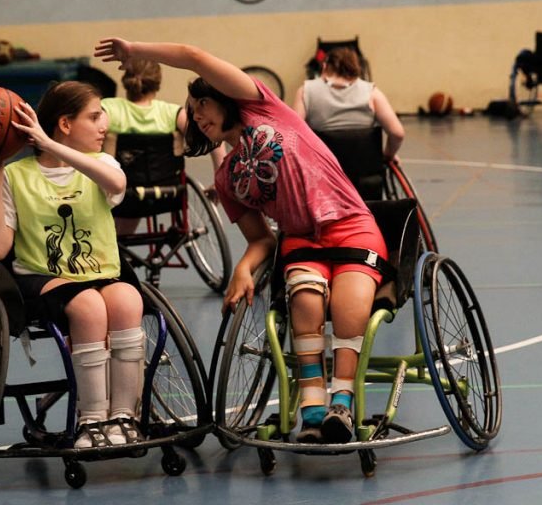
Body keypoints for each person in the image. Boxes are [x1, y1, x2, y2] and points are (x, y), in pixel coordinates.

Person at [95, 38, 388, 444]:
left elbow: (194, 56)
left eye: (202, 106)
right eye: (192, 113)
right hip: (301, 240)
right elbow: (261, 239)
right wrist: (244, 268)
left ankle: (343, 399)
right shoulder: (226, 178)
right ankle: (314, 408)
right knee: (305, 299)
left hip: (351, 224)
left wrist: (136, 50)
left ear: (224, 99)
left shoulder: (261, 106)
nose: (197, 117)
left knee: (347, 304)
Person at [0, 80, 145, 449]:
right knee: (89, 307)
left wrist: (49, 145)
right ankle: (92, 418)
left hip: (102, 273)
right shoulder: (17, 176)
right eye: (94, 116)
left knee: (128, 300)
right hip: (45, 279)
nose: (104, 124)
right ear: (65, 124)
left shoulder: (102, 164)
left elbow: (116, 183)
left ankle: (125, 416)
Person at [101, 57, 225, 234]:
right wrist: (219, 179)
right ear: (157, 83)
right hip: (167, 193)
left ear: (126, 80)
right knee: (138, 189)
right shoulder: (172, 113)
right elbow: (211, 140)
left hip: (121, 194)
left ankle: (115, 243)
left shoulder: (108, 109)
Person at [292, 46, 405, 165]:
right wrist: (388, 155)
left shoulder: (306, 90)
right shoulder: (371, 92)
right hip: (365, 170)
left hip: (323, 170)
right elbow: (397, 133)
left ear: (325, 66)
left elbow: (293, 132)